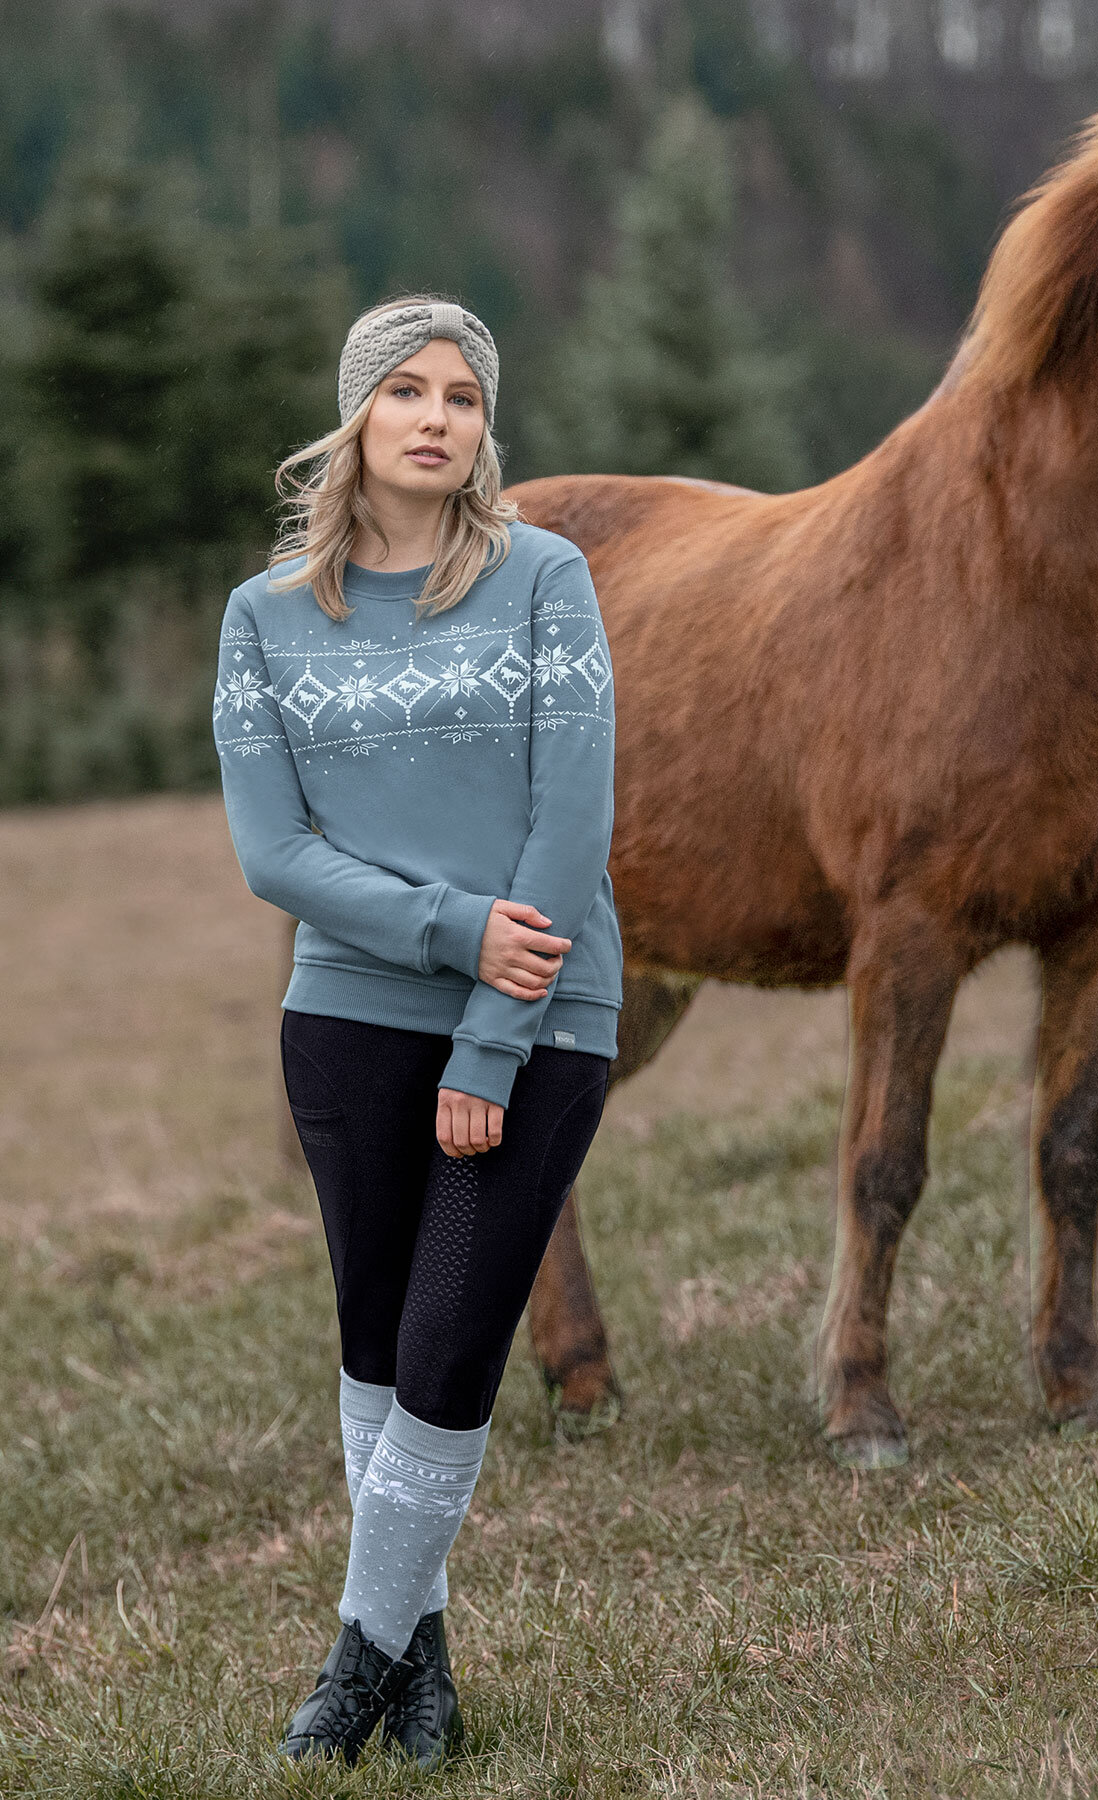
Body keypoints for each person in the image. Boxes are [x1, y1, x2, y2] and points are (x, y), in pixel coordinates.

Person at [212, 295, 623, 1768]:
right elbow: (274, 855)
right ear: (357, 421)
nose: (439, 417)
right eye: (406, 392)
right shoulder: (264, 620)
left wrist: (489, 1037)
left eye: (462, 395)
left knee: (451, 1349)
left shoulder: (543, 581)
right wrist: (446, 931)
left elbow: (570, 820)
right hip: (347, 1018)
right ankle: (423, 1667)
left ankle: (349, 1668)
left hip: (540, 1015)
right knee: (378, 1349)